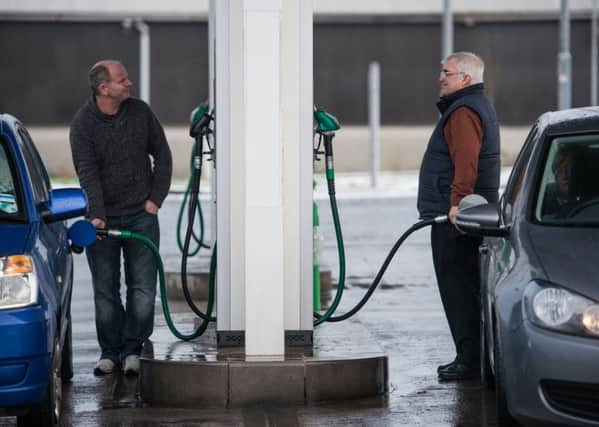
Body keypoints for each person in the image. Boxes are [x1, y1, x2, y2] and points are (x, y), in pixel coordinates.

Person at [70, 60, 172, 376]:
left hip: (142, 216)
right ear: (104, 89)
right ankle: (110, 352)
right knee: (105, 291)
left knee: (142, 289)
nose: (129, 83)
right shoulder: (83, 125)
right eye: (122, 80)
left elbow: (163, 156)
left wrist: (155, 200)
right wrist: (97, 217)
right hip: (105, 222)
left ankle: (133, 350)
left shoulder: (140, 113)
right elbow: (88, 174)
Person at [417, 52, 500, 381]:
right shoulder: (473, 105)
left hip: (455, 217)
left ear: (465, 78)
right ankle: (474, 357)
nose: (441, 77)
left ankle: (469, 360)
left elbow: (466, 160)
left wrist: (458, 203)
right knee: (467, 286)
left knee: (458, 287)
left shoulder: (464, 112)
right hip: (466, 214)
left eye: (447, 72)